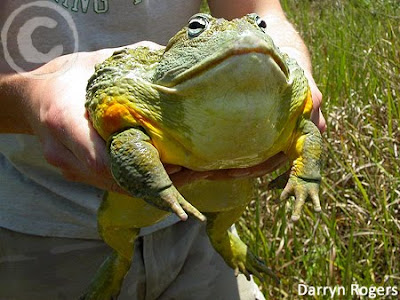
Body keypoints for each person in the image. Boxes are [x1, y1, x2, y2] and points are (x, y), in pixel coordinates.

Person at [0, 0, 326, 299]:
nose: (245, 38)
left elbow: (261, 12)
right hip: (42, 229)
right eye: (198, 28)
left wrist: (295, 72)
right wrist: (32, 98)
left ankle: (223, 236)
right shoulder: (141, 99)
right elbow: (129, 142)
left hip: (199, 223)